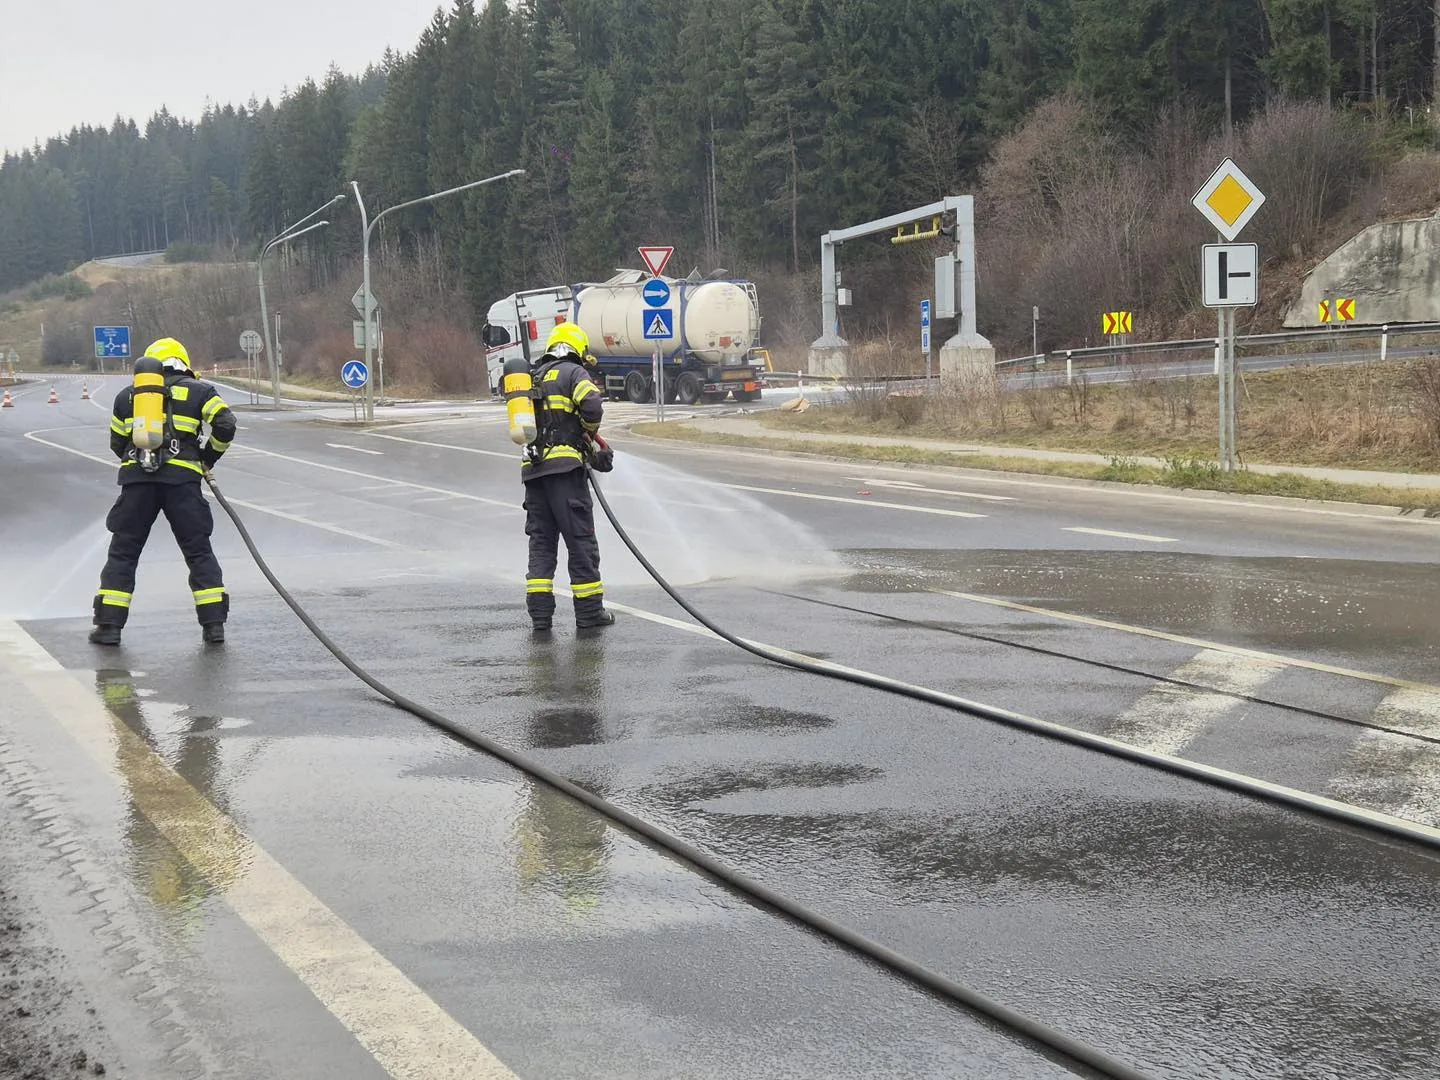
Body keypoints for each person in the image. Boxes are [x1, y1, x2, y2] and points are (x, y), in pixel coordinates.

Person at [89, 337, 236, 647]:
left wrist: (139, 464)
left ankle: (109, 627)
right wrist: (205, 458)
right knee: (198, 552)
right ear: (182, 362)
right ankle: (214, 627)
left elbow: (117, 443)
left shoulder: (127, 396)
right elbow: (225, 425)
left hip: (136, 484)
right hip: (182, 484)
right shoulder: (200, 391)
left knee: (124, 552)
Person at [522, 323, 613, 632]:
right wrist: (590, 432)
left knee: (542, 546)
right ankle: (589, 613)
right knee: (581, 541)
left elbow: (553, 430)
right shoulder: (573, 373)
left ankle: (540, 617)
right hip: (565, 476)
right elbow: (591, 404)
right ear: (578, 349)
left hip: (534, 473)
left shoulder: (534, 376)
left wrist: (590, 451)